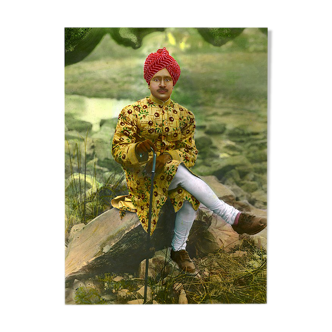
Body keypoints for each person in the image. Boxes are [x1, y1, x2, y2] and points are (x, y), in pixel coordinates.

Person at [111, 47, 267, 273]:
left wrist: (170, 157)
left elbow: (190, 153)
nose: (162, 84)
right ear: (148, 82)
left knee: (188, 196)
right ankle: (232, 215)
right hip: (144, 180)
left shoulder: (185, 116)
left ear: (173, 82)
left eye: (167, 78)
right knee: (180, 175)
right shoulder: (131, 112)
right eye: (156, 79)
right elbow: (118, 150)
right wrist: (138, 150)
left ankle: (178, 249)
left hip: (174, 178)